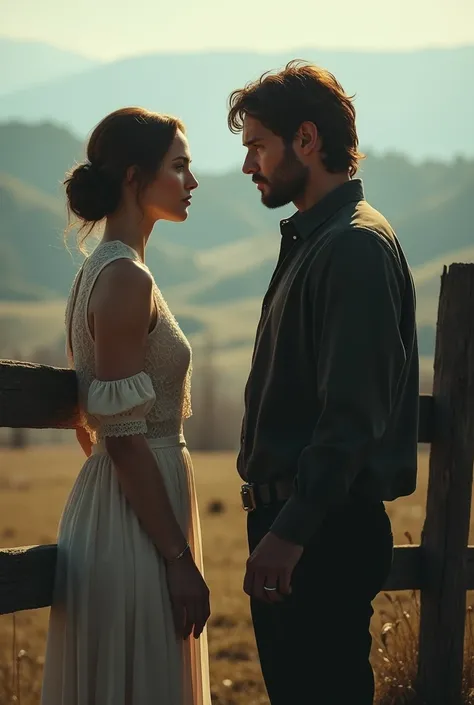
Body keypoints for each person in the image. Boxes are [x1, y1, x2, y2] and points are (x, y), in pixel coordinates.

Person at [227, 61, 419, 705]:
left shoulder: (353, 246)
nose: (249, 164)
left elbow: (353, 413)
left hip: (321, 531)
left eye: (257, 145)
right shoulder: (320, 238)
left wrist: (291, 530)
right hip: (300, 524)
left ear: (306, 139)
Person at [41, 107, 211, 705]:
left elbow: (99, 417)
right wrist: (178, 559)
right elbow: (121, 436)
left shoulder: (110, 269)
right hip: (135, 520)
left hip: (134, 504)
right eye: (180, 167)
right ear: (136, 178)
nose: (192, 182)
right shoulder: (123, 279)